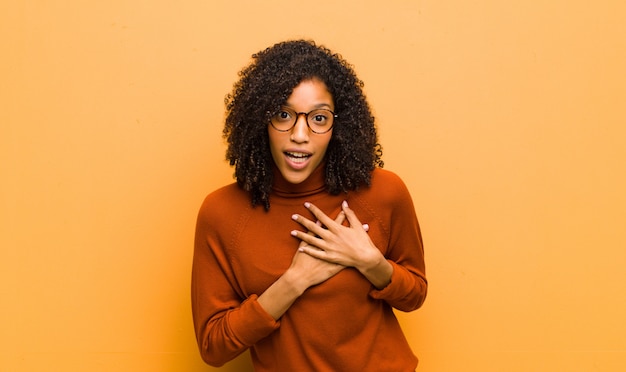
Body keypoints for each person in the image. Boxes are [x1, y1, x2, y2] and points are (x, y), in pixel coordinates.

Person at [191, 39, 427, 371]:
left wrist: (371, 263)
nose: (300, 134)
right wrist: (294, 281)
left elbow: (414, 294)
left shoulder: (384, 193)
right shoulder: (222, 213)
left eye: (318, 118)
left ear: (337, 126)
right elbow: (213, 347)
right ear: (261, 119)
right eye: (283, 114)